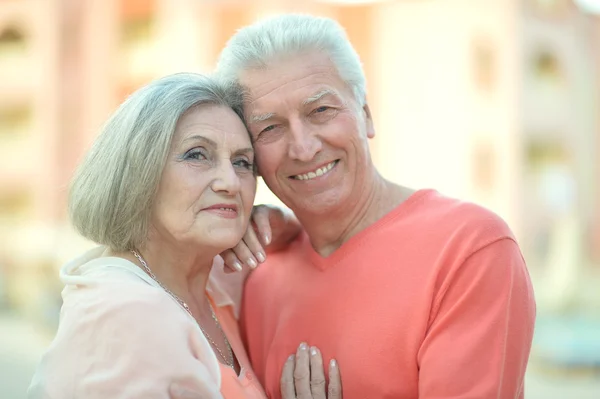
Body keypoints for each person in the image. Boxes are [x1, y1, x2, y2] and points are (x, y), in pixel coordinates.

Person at [212, 14, 537, 399]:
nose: (303, 147)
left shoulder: (469, 249)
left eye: (321, 111)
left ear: (366, 113)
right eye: (270, 128)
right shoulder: (256, 275)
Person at [27, 73, 341, 399]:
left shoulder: (205, 283)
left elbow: (298, 235)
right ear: (138, 172)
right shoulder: (124, 315)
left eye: (242, 162)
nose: (230, 183)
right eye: (196, 155)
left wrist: (271, 222)